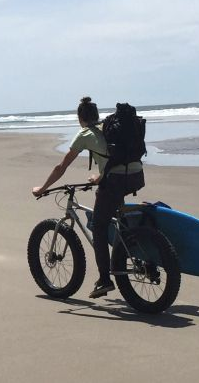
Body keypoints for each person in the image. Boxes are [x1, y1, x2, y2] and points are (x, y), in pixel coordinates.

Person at [32, 96, 145, 298]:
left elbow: (61, 167)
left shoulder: (85, 134)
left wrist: (42, 188)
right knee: (116, 214)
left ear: (80, 118)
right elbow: (114, 158)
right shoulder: (108, 128)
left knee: (99, 227)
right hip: (135, 175)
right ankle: (126, 252)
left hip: (115, 180)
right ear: (97, 115)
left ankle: (104, 280)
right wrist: (99, 177)